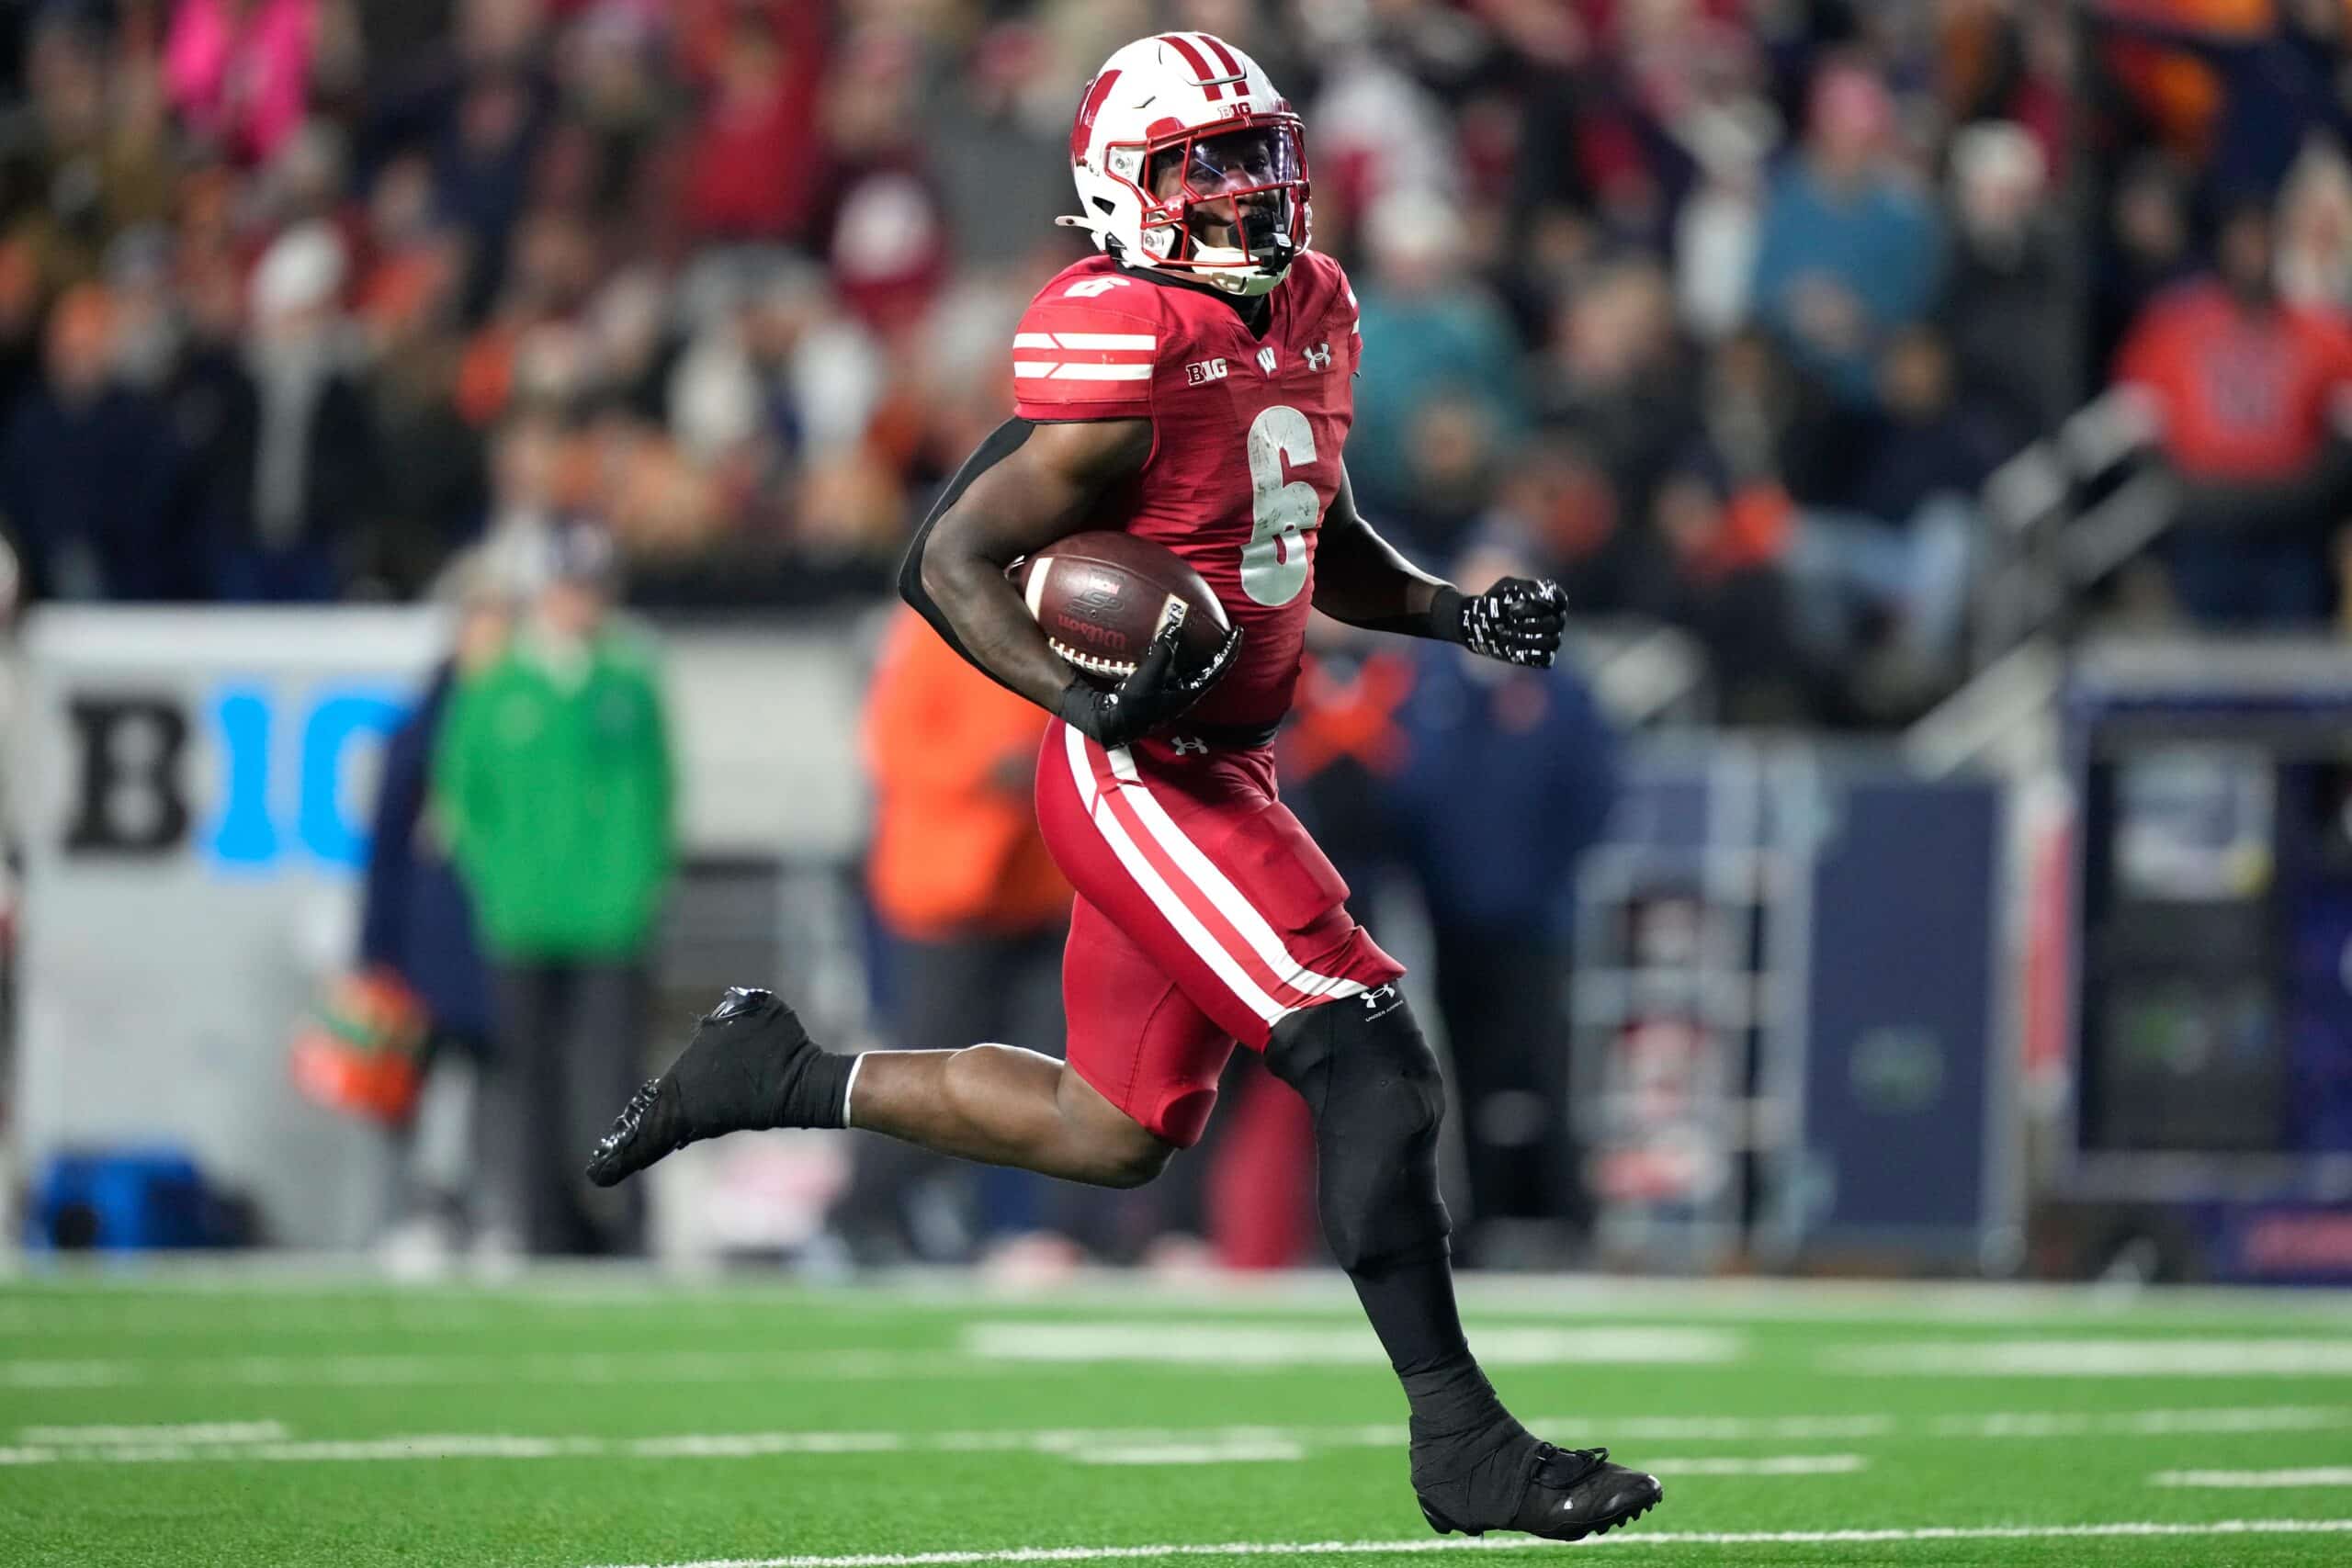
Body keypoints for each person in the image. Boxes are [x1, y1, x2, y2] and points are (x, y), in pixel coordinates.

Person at [585, 33, 1660, 1544]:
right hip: (1143, 771)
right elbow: (943, 559)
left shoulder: (1312, 310)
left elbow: (1313, 533)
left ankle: (780, 1076)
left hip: (1229, 759)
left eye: (1252, 156)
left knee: (1110, 1130)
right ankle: (1463, 1441)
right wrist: (1085, 693)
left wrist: (1449, 613)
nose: (1240, 191)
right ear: (1123, 186)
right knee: (1372, 1058)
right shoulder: (1125, 335)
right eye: (1200, 165)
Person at [435, 523, 674, 1256]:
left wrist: (638, 883)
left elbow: (660, 792)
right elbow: (462, 793)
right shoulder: (499, 683)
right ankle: (544, 1227)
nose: (581, 603)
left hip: (609, 917)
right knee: (530, 1081)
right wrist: (498, 882)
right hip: (524, 916)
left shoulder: (627, 681)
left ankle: (626, 1225)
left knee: (615, 1079)